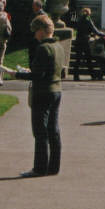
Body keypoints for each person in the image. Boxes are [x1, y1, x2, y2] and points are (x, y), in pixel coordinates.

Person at [10, 14, 62, 177]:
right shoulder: (58, 47)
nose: (34, 35)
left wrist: (17, 75)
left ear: (41, 31)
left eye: (35, 31)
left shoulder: (43, 48)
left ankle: (39, 168)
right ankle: (53, 167)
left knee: (40, 132)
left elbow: (38, 75)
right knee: (53, 130)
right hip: (56, 90)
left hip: (43, 92)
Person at [72, 6, 105, 80]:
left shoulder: (79, 20)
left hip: (78, 41)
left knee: (78, 59)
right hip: (85, 42)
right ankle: (92, 75)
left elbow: (78, 29)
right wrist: (103, 34)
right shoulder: (88, 20)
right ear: (89, 13)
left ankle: (75, 76)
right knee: (88, 59)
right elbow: (95, 31)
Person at [28, 0, 47, 65]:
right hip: (32, 38)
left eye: (34, 5)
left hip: (38, 38)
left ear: (38, 6)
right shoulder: (33, 14)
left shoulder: (43, 15)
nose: (32, 7)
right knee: (31, 56)